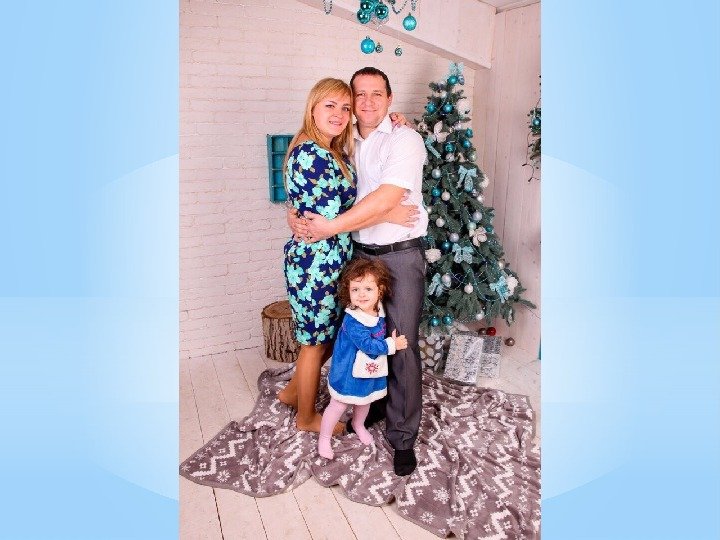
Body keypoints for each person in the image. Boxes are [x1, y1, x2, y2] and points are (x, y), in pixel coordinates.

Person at [297, 67, 429, 476]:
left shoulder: (405, 139)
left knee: (401, 344)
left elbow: (388, 196)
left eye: (377, 93)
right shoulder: (344, 141)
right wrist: (294, 216)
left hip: (399, 254)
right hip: (357, 255)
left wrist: (331, 227)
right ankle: (368, 406)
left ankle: (403, 437)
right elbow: (322, 193)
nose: (368, 102)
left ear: (390, 99)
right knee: (359, 338)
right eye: (360, 94)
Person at [318, 258, 407, 459]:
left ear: (380, 291)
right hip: (348, 371)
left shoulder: (379, 309)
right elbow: (367, 345)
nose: (362, 294)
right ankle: (324, 437)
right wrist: (392, 345)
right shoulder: (353, 320)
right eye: (355, 289)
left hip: (368, 370)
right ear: (348, 292)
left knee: (364, 401)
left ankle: (358, 424)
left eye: (368, 289)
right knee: (339, 404)